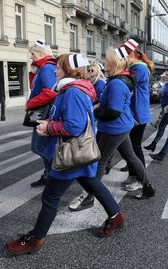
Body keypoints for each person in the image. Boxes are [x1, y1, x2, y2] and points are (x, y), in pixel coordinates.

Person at [5, 54, 124, 256]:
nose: (54, 70)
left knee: (50, 198)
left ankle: (35, 239)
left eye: (59, 67)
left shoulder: (72, 93)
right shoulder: (72, 89)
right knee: (93, 184)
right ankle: (116, 217)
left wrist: (49, 127)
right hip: (80, 153)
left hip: (70, 154)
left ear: (69, 70)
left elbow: (74, 126)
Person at [68, 47, 155, 211]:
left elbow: (113, 112)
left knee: (99, 162)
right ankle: (148, 186)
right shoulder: (118, 79)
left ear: (115, 63)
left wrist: (95, 111)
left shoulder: (116, 83)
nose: (104, 62)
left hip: (114, 127)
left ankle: (89, 196)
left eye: (107, 60)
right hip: (120, 126)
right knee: (131, 156)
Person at [120, 37, 153, 173]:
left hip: (137, 113)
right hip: (135, 111)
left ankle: (141, 177)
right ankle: (132, 166)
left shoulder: (138, 68)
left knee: (135, 146)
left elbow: (124, 85)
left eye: (122, 55)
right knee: (130, 145)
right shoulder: (135, 67)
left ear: (130, 54)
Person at [27, 39, 57, 188]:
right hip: (42, 112)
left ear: (40, 53)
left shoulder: (46, 68)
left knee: (40, 147)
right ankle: (48, 175)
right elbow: (37, 88)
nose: (31, 57)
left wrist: (30, 103)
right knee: (40, 147)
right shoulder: (42, 68)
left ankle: (54, 174)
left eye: (32, 54)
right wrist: (32, 74)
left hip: (43, 113)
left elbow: (50, 92)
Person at [143, 66, 168, 152]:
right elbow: (163, 94)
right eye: (165, 74)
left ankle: (153, 144)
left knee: (162, 127)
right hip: (164, 108)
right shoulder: (166, 84)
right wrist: (160, 94)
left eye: (167, 75)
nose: (165, 76)